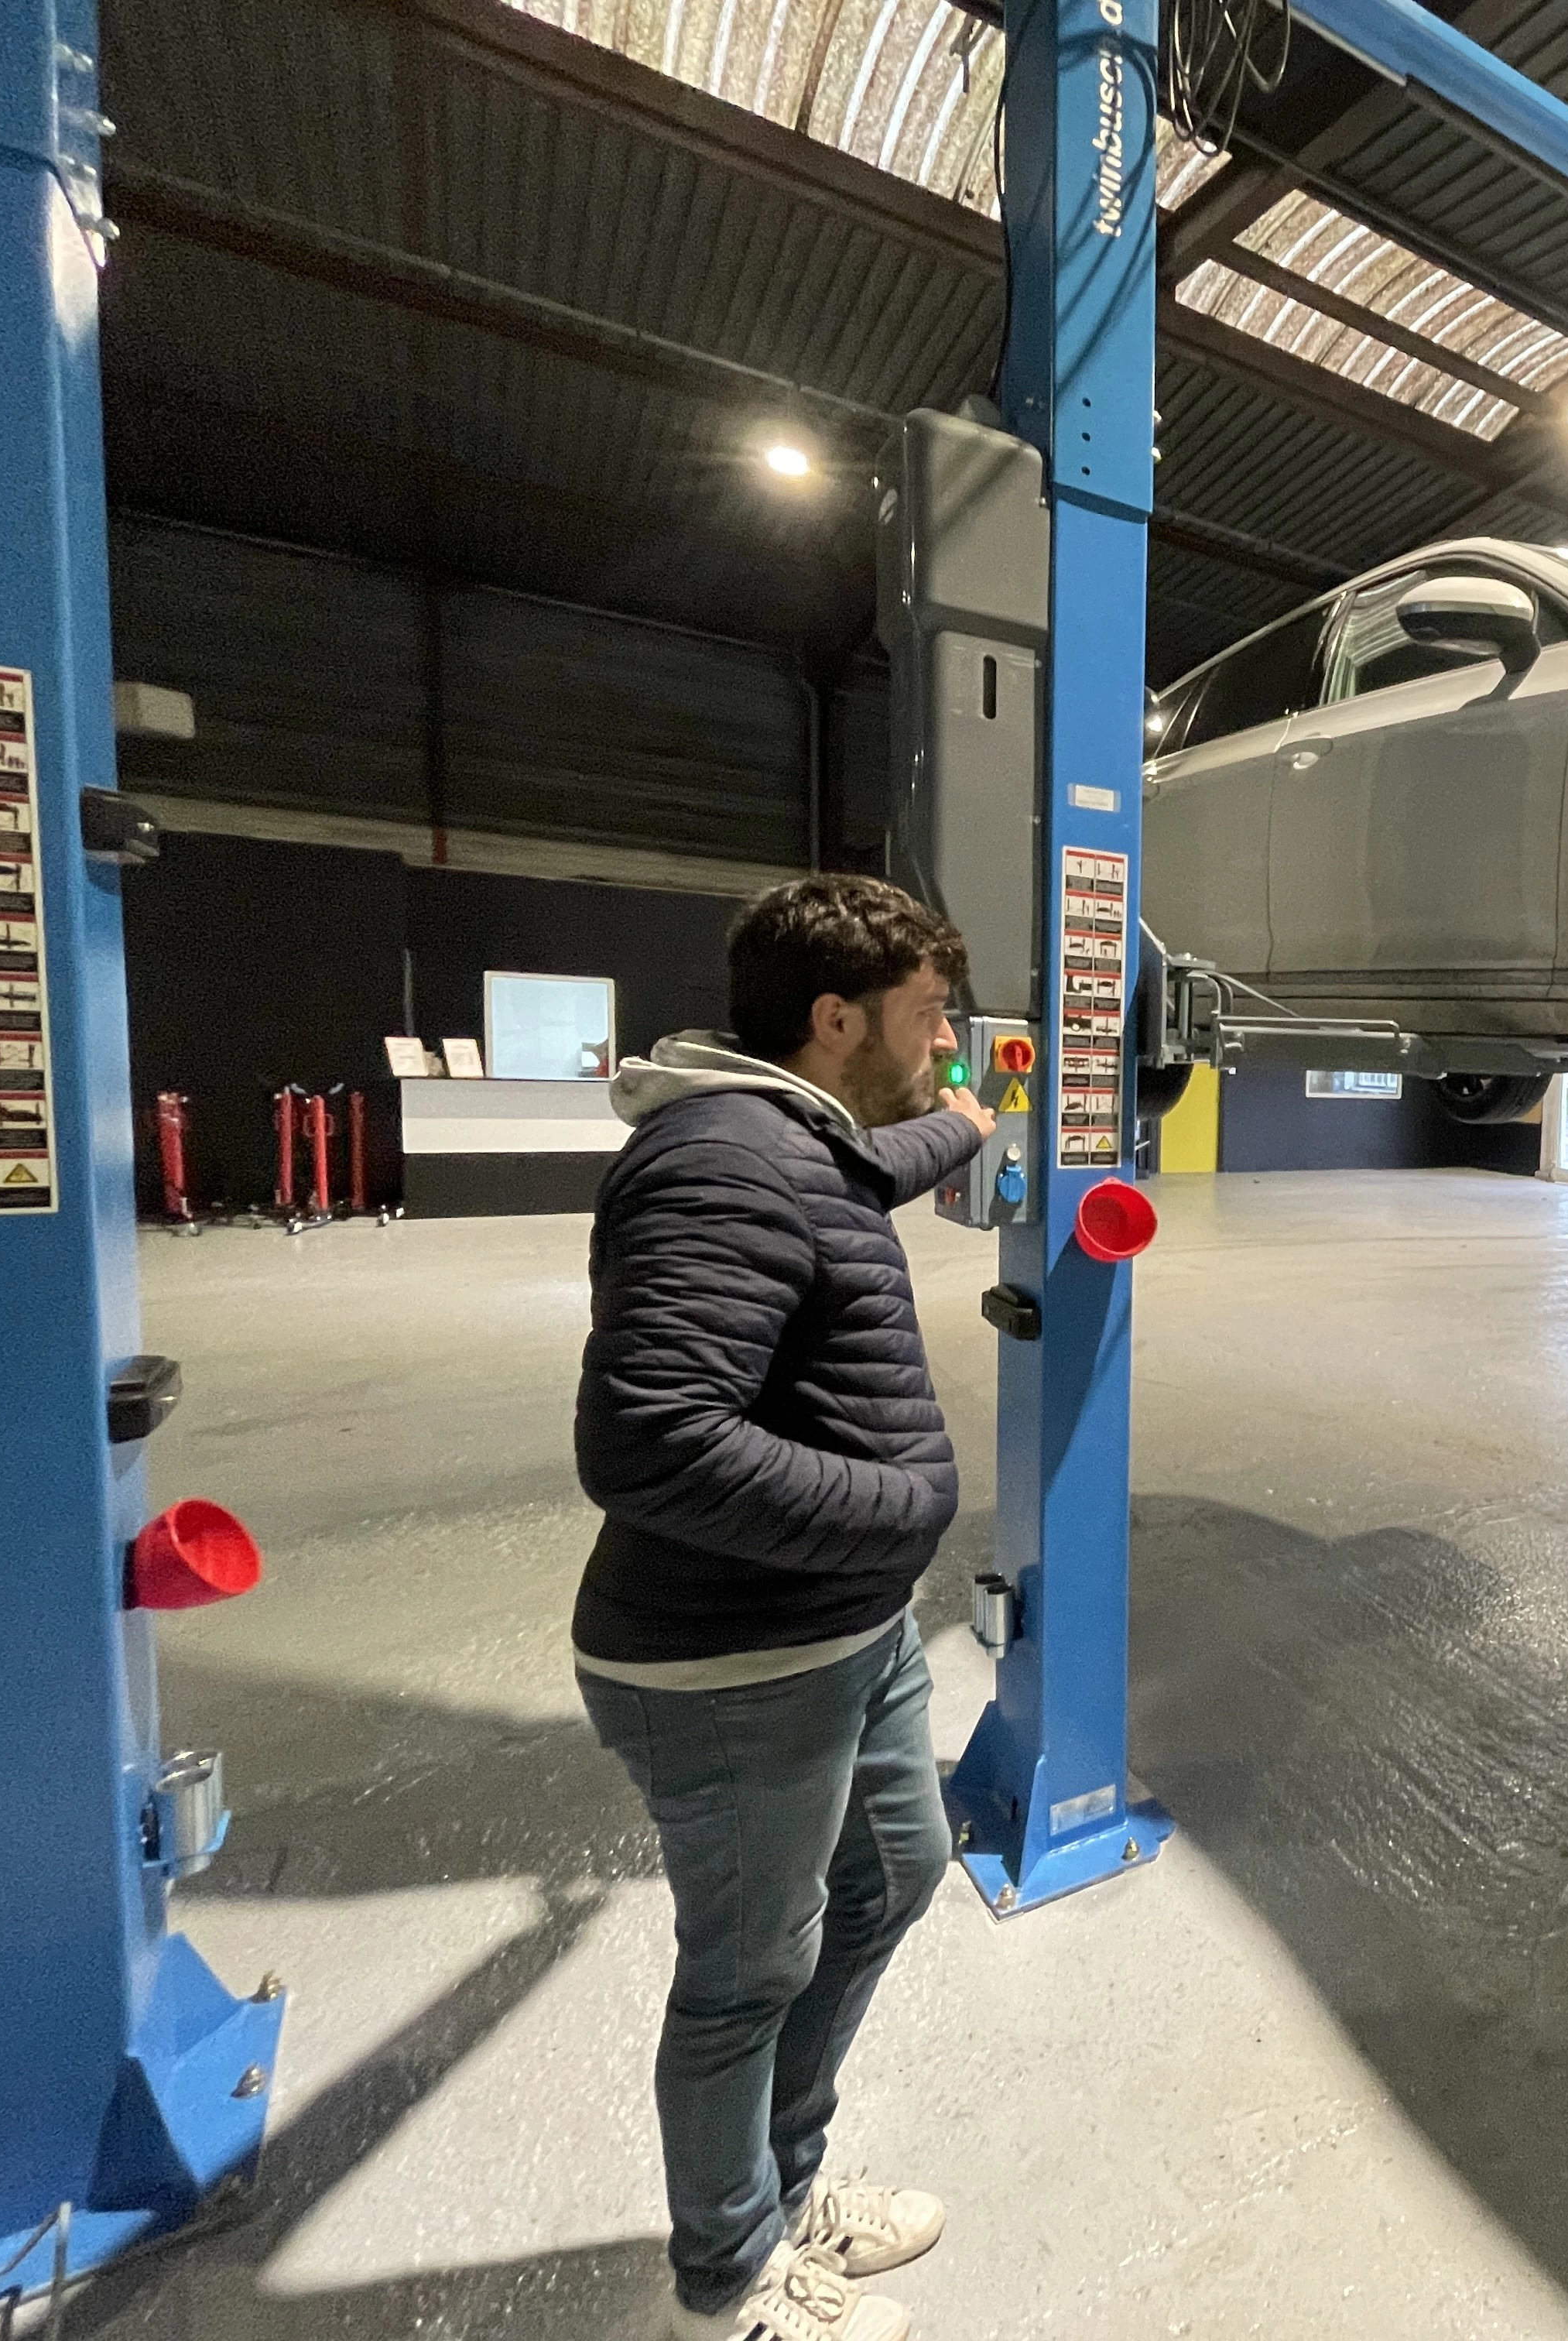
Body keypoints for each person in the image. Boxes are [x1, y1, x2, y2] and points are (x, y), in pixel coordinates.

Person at [573, 875, 997, 2341]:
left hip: (841, 1635)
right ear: (835, 1021)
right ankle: (730, 2280)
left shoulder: (797, 1138)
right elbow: (648, 1435)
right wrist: (907, 1510)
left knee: (895, 1876)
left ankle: (783, 2175)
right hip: (734, 1662)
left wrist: (967, 1131)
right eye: (932, 1024)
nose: (946, 1053)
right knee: (748, 1975)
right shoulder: (722, 1165)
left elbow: (859, 1172)